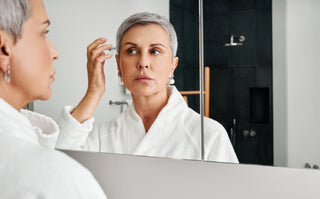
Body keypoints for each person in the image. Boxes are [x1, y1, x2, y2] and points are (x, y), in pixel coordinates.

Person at [56, 12, 238, 163]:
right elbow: (57, 165)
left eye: (155, 51)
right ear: (119, 65)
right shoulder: (102, 136)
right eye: (132, 51)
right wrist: (93, 92)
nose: (143, 63)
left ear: (172, 65)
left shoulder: (208, 135)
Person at [0, 0, 107, 198]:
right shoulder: (59, 182)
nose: (55, 53)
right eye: (44, 33)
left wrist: (93, 92)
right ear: (4, 49)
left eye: (155, 51)